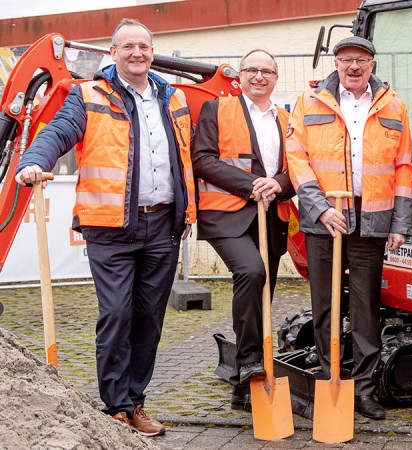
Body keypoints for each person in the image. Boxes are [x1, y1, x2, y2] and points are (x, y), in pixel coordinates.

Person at [15, 18, 196, 436]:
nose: (137, 53)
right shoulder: (87, 94)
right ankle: (115, 405)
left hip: (164, 225)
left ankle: (136, 402)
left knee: (149, 318)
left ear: (153, 52)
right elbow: (57, 132)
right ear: (112, 53)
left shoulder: (174, 98)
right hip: (110, 228)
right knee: (116, 313)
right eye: (127, 46)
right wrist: (33, 161)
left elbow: (188, 155)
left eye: (144, 47)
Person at [286, 36, 412, 420]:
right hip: (324, 218)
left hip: (373, 217)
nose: (353, 67)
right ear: (336, 63)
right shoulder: (308, 102)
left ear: (373, 63)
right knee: (325, 305)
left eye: (361, 60)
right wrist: (321, 209)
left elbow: (405, 168)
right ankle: (330, 383)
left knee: (365, 308)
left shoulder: (394, 106)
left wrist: (401, 223)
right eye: (346, 60)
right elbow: (297, 159)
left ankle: (363, 389)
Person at [191, 49, 294, 412]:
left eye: (267, 71)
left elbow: (296, 167)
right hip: (228, 216)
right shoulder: (217, 110)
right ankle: (249, 360)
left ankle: (243, 386)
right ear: (241, 75)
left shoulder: (286, 117)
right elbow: (202, 158)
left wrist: (277, 185)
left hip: (272, 217)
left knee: (262, 294)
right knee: (251, 272)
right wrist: (252, 184)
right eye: (252, 69)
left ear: (276, 77)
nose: (259, 76)